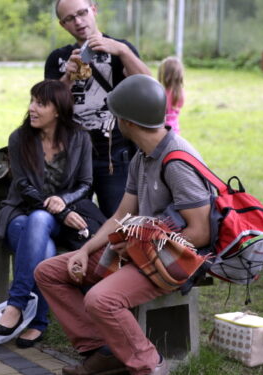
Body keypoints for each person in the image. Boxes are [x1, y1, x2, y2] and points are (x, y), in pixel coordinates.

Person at [34, 75, 212, 375]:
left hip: (175, 259)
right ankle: (106, 350)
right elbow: (121, 216)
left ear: (127, 122)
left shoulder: (177, 160)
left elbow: (200, 232)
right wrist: (85, 250)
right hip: (142, 249)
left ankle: (150, 366)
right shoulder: (141, 157)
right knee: (50, 271)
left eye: (115, 114)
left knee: (101, 299)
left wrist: (140, 243)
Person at [0, 79, 105, 349]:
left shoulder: (80, 138)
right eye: (31, 101)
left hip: (63, 216)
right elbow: (21, 184)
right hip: (21, 211)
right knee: (41, 227)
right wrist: (52, 205)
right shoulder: (19, 138)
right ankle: (35, 319)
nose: (32, 108)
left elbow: (86, 184)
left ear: (58, 110)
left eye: (41, 103)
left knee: (42, 224)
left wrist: (63, 203)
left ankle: (17, 307)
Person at [45, 0, 151, 218]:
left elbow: (148, 88)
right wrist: (67, 77)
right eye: (70, 18)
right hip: (71, 155)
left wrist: (122, 51)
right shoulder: (57, 59)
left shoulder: (120, 48)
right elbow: (49, 107)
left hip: (115, 156)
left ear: (94, 10)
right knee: (73, 222)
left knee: (120, 222)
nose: (78, 21)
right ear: (62, 25)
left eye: (82, 13)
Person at [158, 56, 185, 134]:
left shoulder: (160, 91)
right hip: (175, 129)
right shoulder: (180, 92)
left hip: (161, 129)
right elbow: (180, 106)